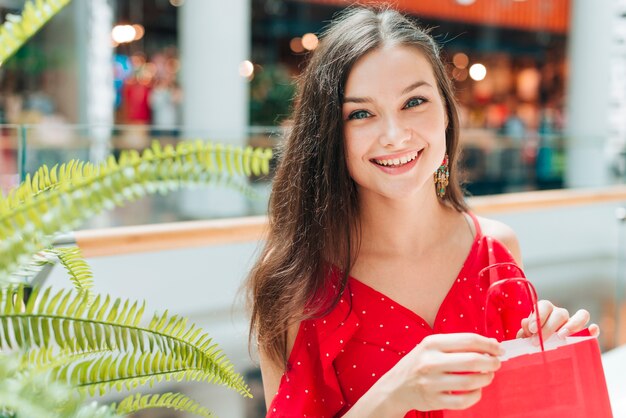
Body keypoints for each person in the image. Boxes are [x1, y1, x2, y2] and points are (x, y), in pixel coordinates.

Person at [246, 7, 599, 418]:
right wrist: (393, 395)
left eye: (414, 102)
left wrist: (550, 354)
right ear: (329, 133)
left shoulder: (496, 251)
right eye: (361, 113)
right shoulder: (297, 277)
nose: (394, 135)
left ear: (447, 112)